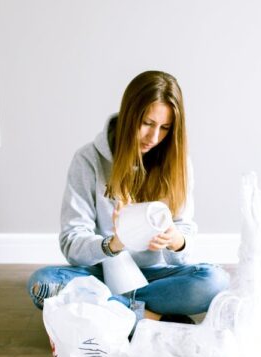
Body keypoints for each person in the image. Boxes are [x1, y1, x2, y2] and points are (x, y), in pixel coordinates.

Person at [27, 70, 230, 323]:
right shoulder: (88, 160)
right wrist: (114, 244)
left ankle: (114, 311)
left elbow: (183, 236)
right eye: (147, 123)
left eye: (165, 128)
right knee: (42, 285)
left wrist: (175, 240)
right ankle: (151, 317)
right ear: (129, 114)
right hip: (101, 273)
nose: (154, 138)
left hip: (156, 277)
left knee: (216, 281)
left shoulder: (178, 164)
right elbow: (72, 242)